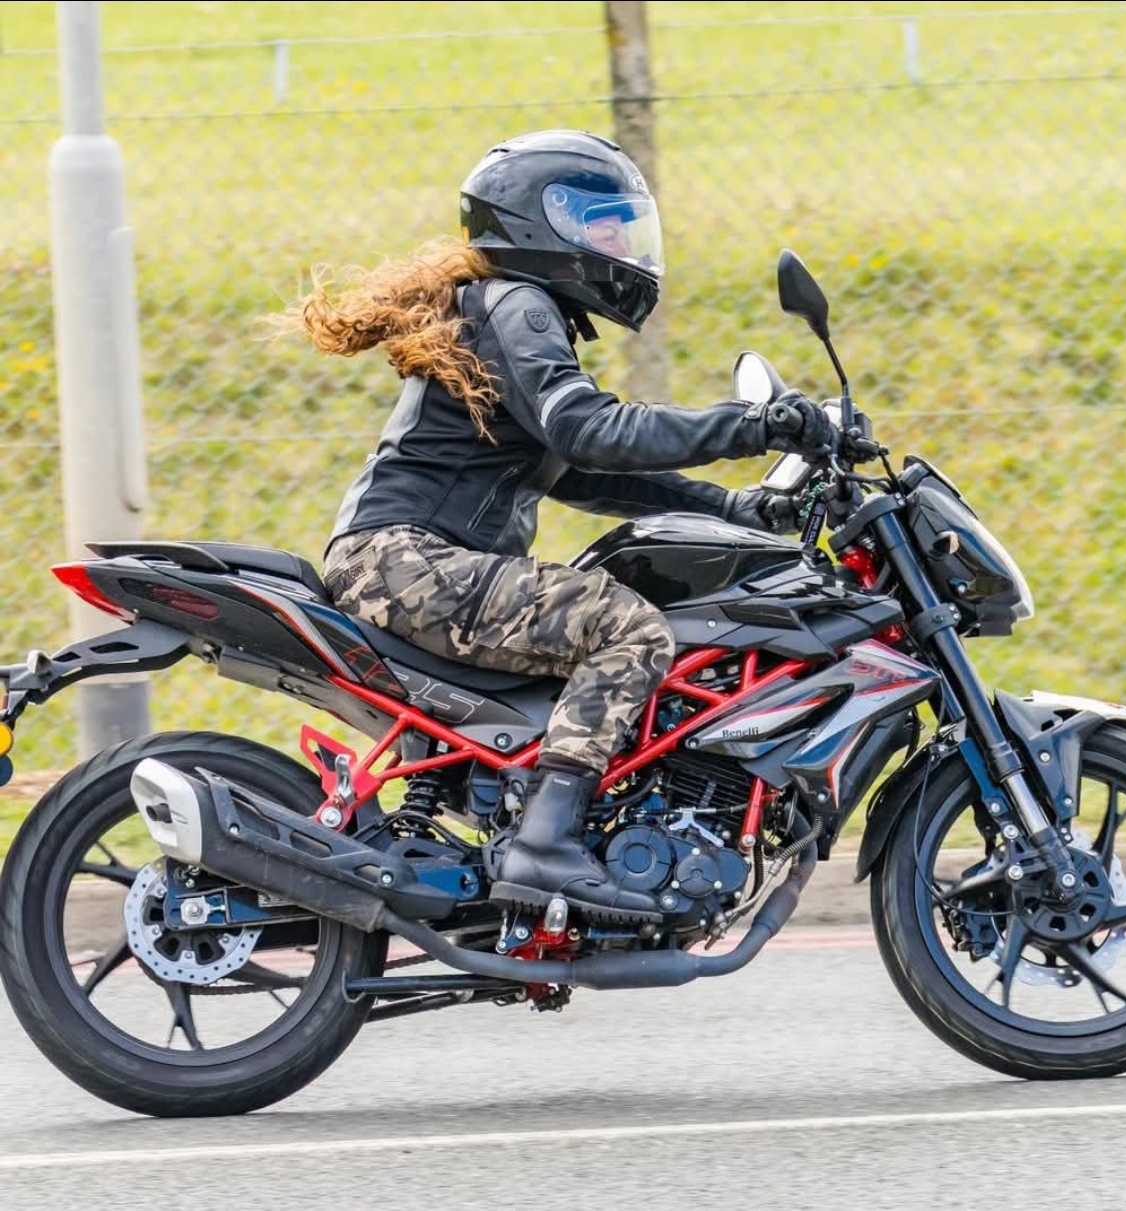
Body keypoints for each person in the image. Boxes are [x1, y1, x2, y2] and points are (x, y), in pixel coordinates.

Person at [273, 129, 836, 925]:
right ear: (543, 222)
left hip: (403, 562)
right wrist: (752, 426)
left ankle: (549, 824)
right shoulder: (517, 302)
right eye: (603, 225)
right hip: (405, 561)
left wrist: (736, 509)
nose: (621, 246)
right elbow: (588, 428)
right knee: (626, 627)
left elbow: (584, 471)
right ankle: (545, 843)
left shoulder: (510, 310)